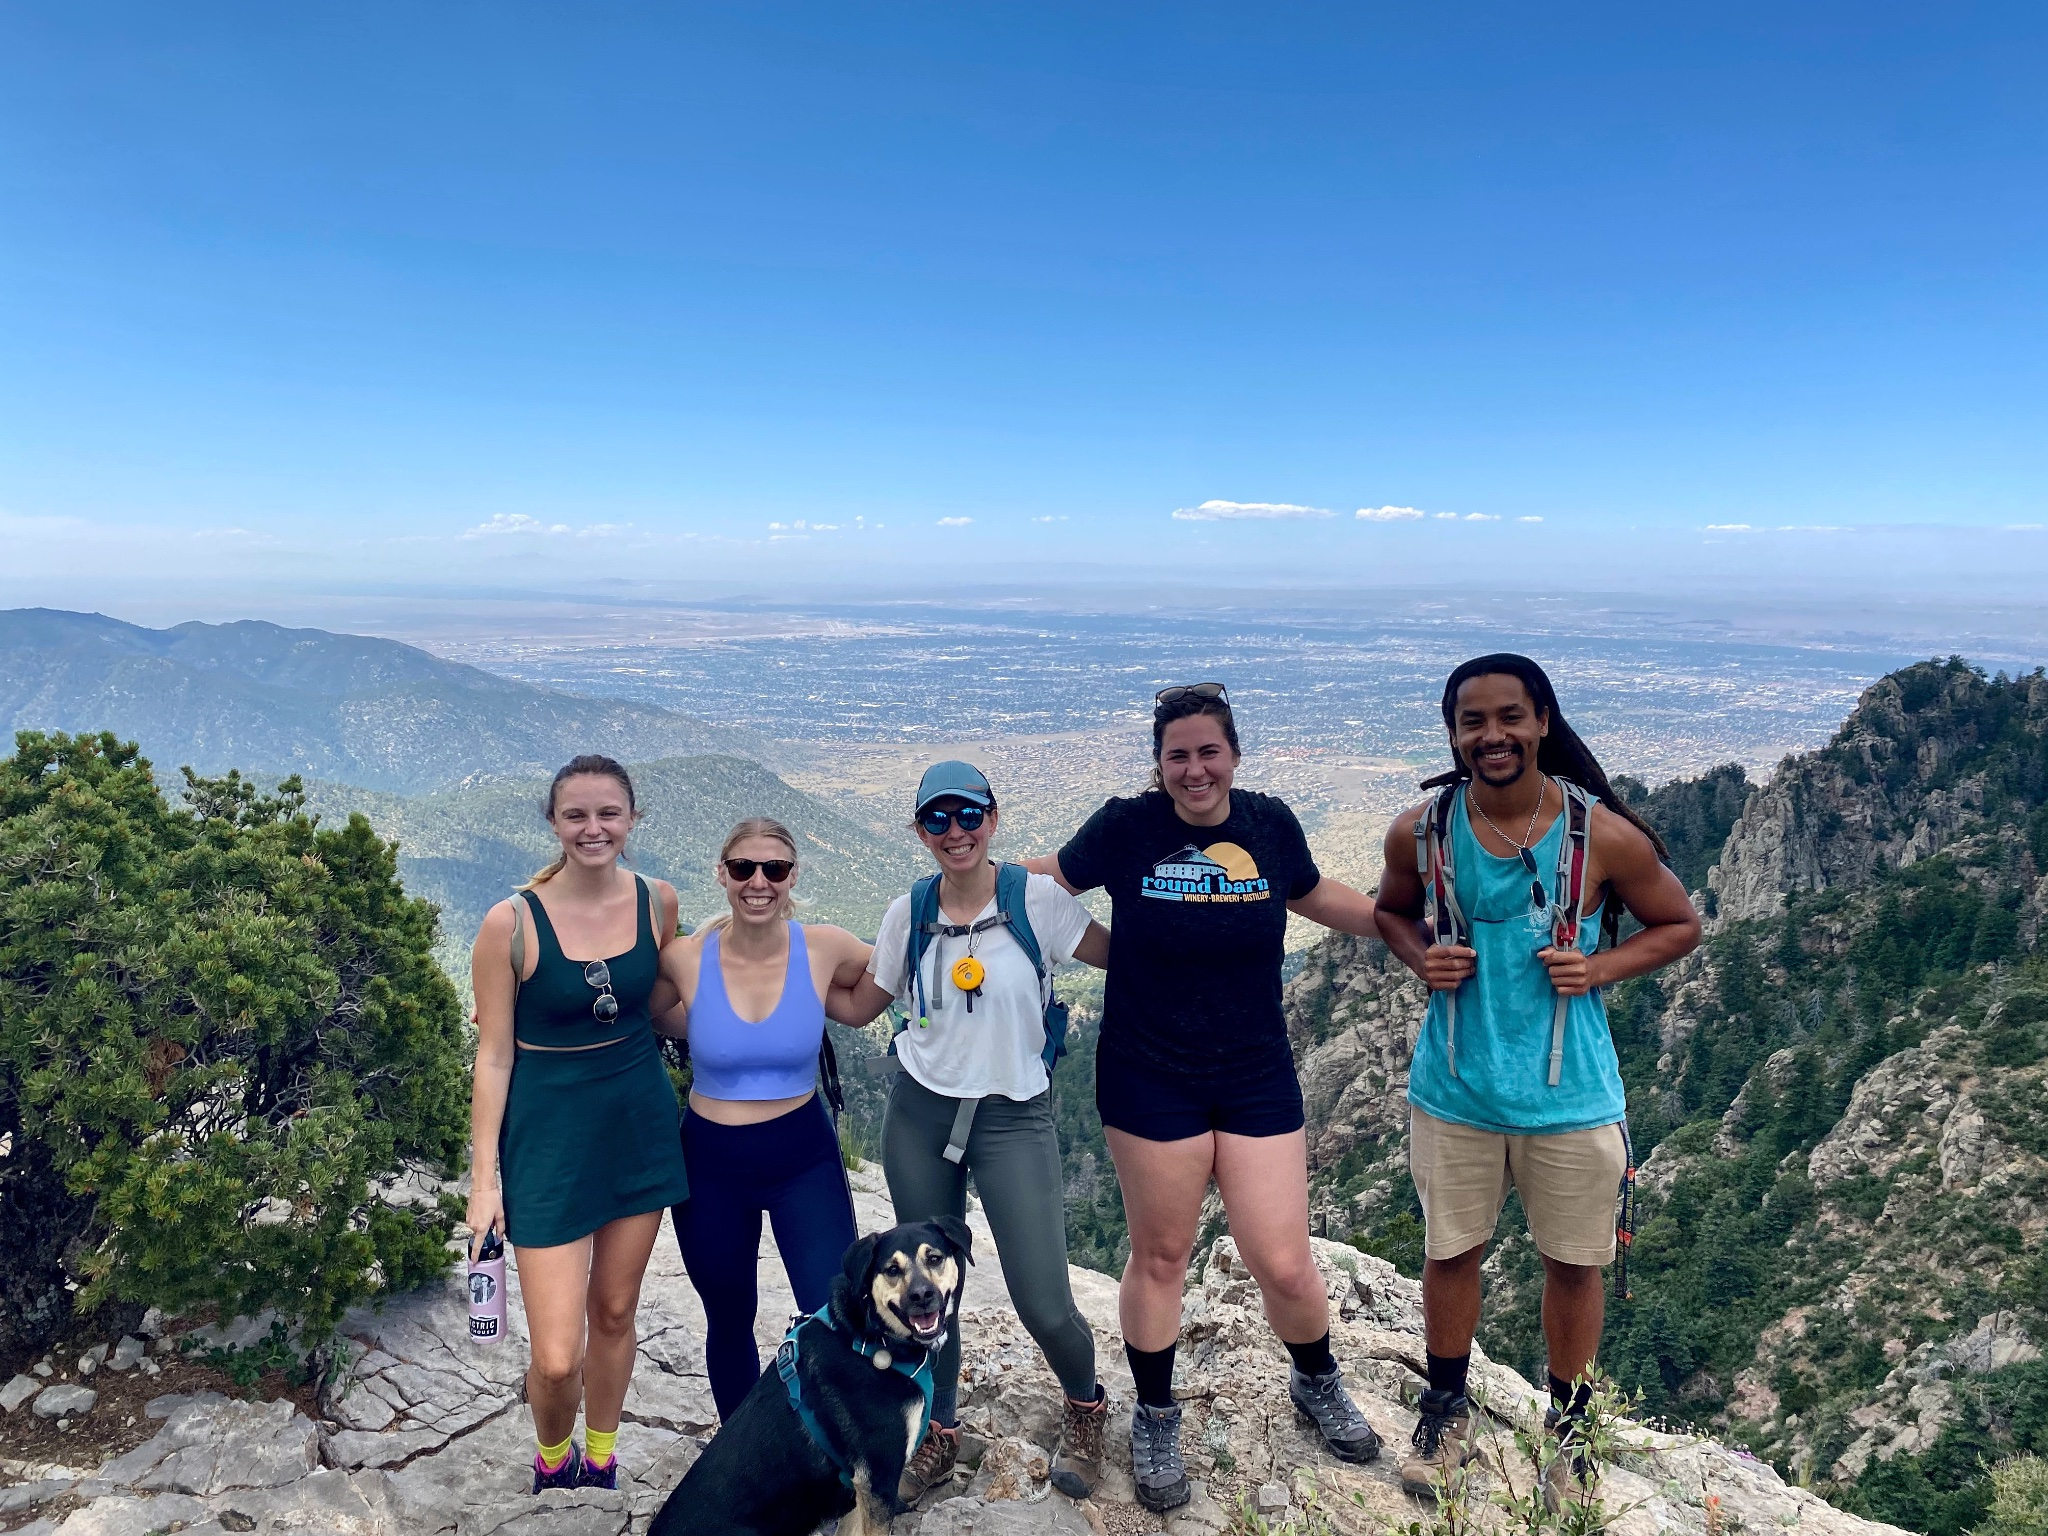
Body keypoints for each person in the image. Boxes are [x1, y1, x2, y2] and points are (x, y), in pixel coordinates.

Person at [1027, 683, 1387, 1514]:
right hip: (1149, 1071)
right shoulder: (1127, 827)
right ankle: (1156, 1412)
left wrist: (1403, 929)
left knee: (1285, 1259)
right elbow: (1047, 882)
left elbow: (1312, 892)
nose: (1195, 769)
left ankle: (1316, 1380)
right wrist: (961, 876)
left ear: (1234, 754)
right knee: (1162, 1254)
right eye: (1178, 755)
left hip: (1255, 1069)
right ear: (1159, 764)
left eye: (1208, 752)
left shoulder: (1267, 823)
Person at [1373, 654, 1700, 1507]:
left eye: (1509, 717)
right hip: (1456, 1087)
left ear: (1544, 721)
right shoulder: (1422, 831)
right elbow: (1389, 911)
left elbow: (1679, 924)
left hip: (1572, 1097)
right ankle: (1446, 1410)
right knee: (1451, 1253)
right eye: (1472, 722)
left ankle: (1572, 1432)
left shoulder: (1602, 836)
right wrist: (1421, 957)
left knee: (1573, 1266)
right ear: (1452, 735)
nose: (1493, 736)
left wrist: (1599, 970)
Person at [829, 761, 1115, 1503]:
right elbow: (864, 1004)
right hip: (918, 1113)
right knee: (927, 1294)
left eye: (968, 816)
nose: (954, 832)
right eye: (937, 819)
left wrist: (1208, 953)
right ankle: (938, 1432)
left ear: (993, 818)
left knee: (1044, 1300)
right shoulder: (910, 912)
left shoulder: (1037, 902)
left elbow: (1121, 957)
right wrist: (770, 971)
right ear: (920, 830)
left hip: (1012, 1115)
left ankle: (1086, 1406)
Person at [466, 755, 693, 1493]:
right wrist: (483, 1182)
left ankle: (600, 1455)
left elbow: (662, 1009)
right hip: (548, 1136)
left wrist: (767, 1003)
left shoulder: (658, 902)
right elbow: (494, 1056)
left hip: (636, 1120)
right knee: (557, 1353)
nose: (594, 829)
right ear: (554, 823)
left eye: (608, 814)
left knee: (618, 1307)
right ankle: (552, 1453)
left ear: (632, 819)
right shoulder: (510, 924)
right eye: (577, 815)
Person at [654, 817, 873, 1421]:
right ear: (721, 874)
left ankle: (829, 1456)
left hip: (801, 1153)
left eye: (774, 869)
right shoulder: (686, 958)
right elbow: (638, 1016)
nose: (759, 882)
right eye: (744, 868)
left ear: (792, 876)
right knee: (728, 1317)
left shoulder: (824, 946)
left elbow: (896, 975)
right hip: (711, 1161)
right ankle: (742, 1455)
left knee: (832, 1311)